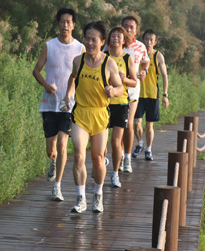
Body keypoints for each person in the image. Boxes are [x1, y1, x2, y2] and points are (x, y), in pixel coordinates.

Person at [62, 21, 124, 213]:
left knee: (97, 158)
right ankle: (81, 198)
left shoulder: (109, 63)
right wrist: (68, 96)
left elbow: (121, 87)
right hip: (80, 113)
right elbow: (73, 78)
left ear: (102, 41)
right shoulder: (78, 61)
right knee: (79, 154)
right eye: (87, 39)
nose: (89, 43)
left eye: (94, 40)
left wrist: (113, 90)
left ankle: (98, 194)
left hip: (100, 115)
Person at [32, 8, 85, 201]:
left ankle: (58, 186)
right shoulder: (49, 46)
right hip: (49, 104)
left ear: (73, 25)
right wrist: (46, 84)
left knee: (63, 145)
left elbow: (83, 76)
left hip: (68, 105)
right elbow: (36, 70)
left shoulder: (80, 48)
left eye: (68, 22)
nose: (65, 25)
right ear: (58, 24)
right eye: (62, 21)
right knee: (51, 150)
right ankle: (53, 162)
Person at [102, 16, 149, 173]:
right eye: (125, 27)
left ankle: (127, 157)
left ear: (136, 30)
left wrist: (144, 70)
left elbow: (145, 61)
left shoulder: (140, 46)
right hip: (111, 94)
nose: (128, 29)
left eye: (131, 27)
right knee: (113, 129)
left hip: (132, 91)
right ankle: (118, 156)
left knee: (129, 125)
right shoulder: (110, 46)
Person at [104, 26, 138, 187]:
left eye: (119, 36)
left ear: (124, 40)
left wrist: (124, 80)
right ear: (109, 39)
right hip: (103, 104)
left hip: (122, 103)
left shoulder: (127, 58)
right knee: (102, 142)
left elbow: (135, 81)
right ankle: (101, 162)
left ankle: (115, 173)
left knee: (116, 141)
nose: (116, 38)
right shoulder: (103, 57)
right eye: (113, 35)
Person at [132, 29, 169, 161]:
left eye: (151, 40)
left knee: (149, 125)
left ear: (155, 42)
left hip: (153, 94)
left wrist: (165, 95)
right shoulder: (137, 54)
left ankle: (148, 149)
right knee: (137, 123)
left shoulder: (158, 56)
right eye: (146, 39)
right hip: (138, 94)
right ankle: (140, 143)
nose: (148, 42)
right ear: (142, 40)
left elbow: (164, 76)